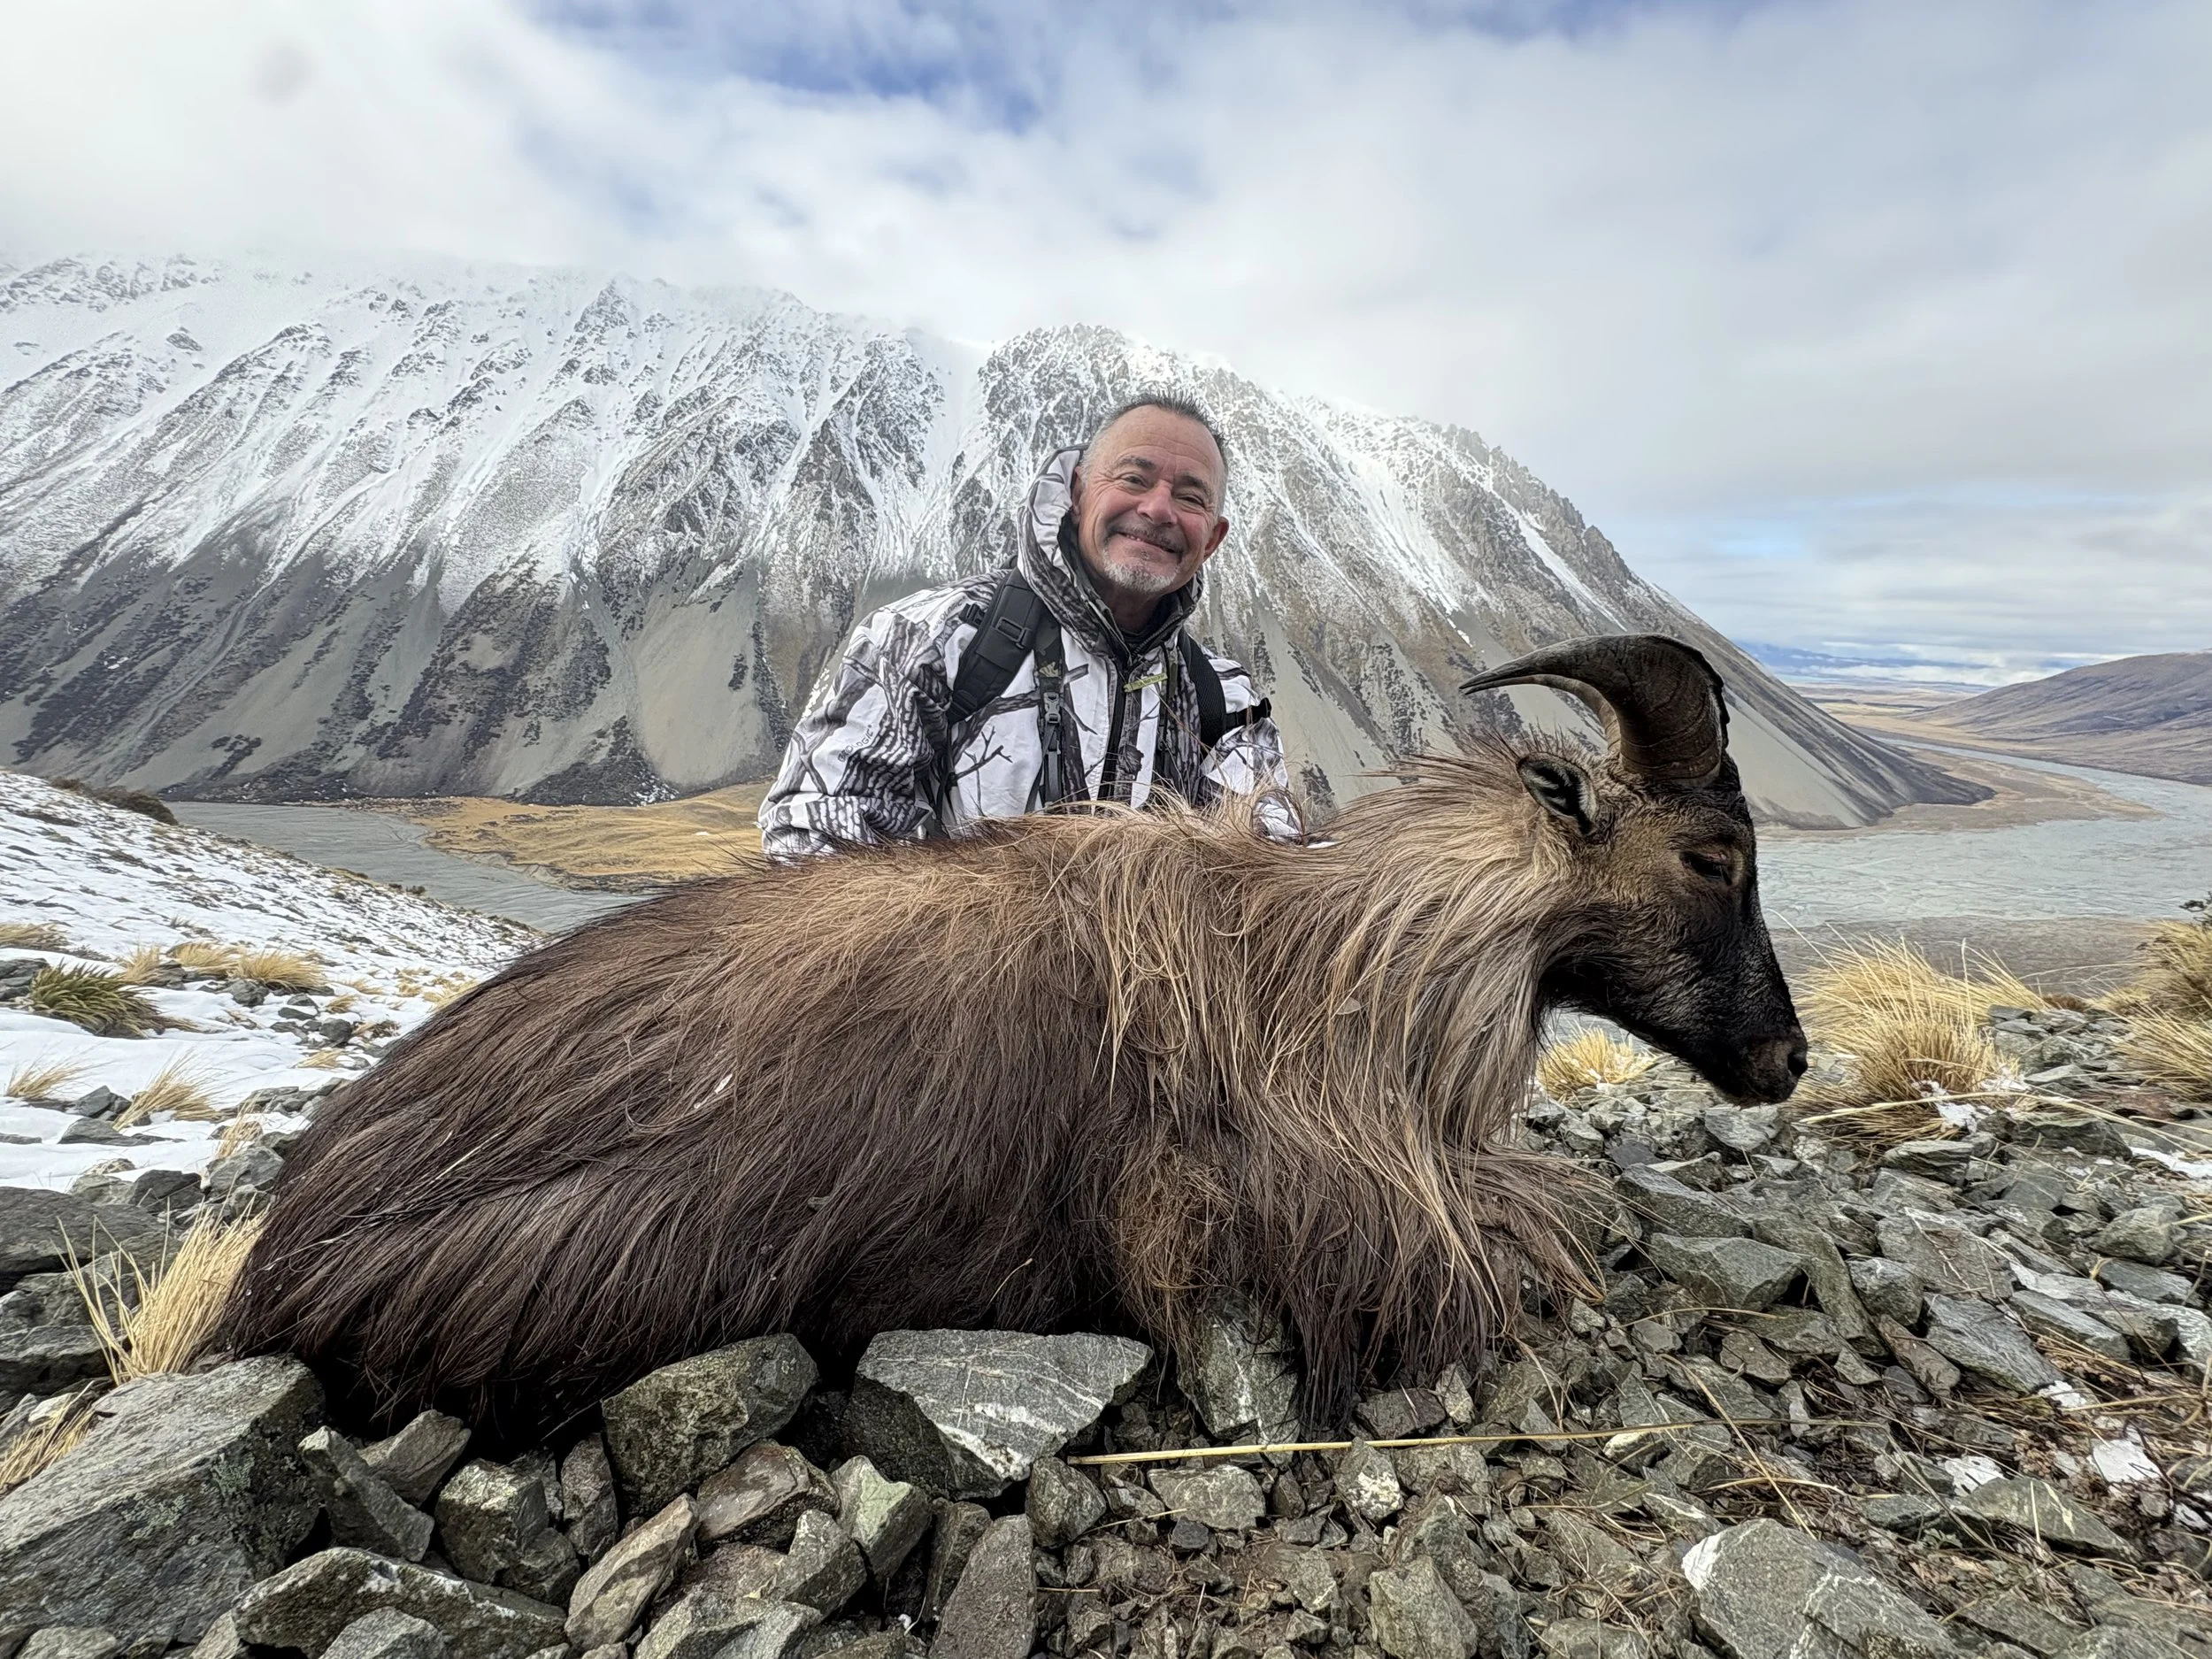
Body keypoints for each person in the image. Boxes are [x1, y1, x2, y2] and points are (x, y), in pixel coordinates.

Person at [758, 396, 1291, 858]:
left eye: (1191, 497)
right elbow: (812, 842)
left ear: (1213, 538)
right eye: (1134, 478)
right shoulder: (926, 639)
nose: (1157, 509)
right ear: (1079, 492)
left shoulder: (1228, 703)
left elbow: (1272, 869)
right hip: (950, 974)